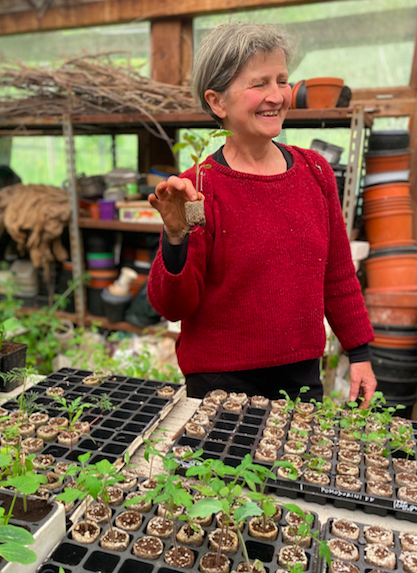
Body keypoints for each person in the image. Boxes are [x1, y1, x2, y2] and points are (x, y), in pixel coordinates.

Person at [147, 23, 376, 404]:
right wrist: (175, 238)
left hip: (300, 374)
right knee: (222, 465)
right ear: (217, 102)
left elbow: (337, 274)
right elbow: (173, 306)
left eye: (282, 80)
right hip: (220, 381)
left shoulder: (315, 173)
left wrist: (361, 353)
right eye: (259, 84)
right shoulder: (199, 187)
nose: (277, 96)